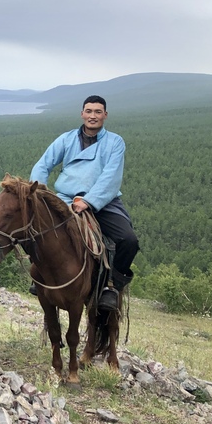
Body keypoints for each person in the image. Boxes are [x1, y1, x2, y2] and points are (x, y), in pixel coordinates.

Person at [30, 95, 139, 312]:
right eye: (89, 111)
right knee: (37, 231)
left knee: (128, 240)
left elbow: (111, 177)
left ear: (105, 115)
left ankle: (112, 286)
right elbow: (43, 165)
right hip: (65, 198)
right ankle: (39, 276)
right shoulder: (66, 139)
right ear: (82, 114)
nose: (93, 116)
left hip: (102, 200)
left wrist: (89, 201)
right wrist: (40, 192)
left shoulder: (115, 142)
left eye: (98, 112)